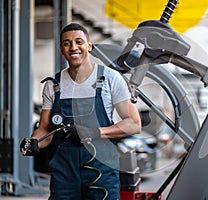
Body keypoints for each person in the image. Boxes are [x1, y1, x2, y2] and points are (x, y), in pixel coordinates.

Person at [20, 23, 141, 200]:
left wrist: (94, 132)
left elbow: (133, 124)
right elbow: (45, 129)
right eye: (67, 43)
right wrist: (34, 142)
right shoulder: (53, 85)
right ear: (61, 48)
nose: (73, 47)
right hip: (64, 173)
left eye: (79, 41)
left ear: (89, 46)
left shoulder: (110, 78)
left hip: (101, 171)